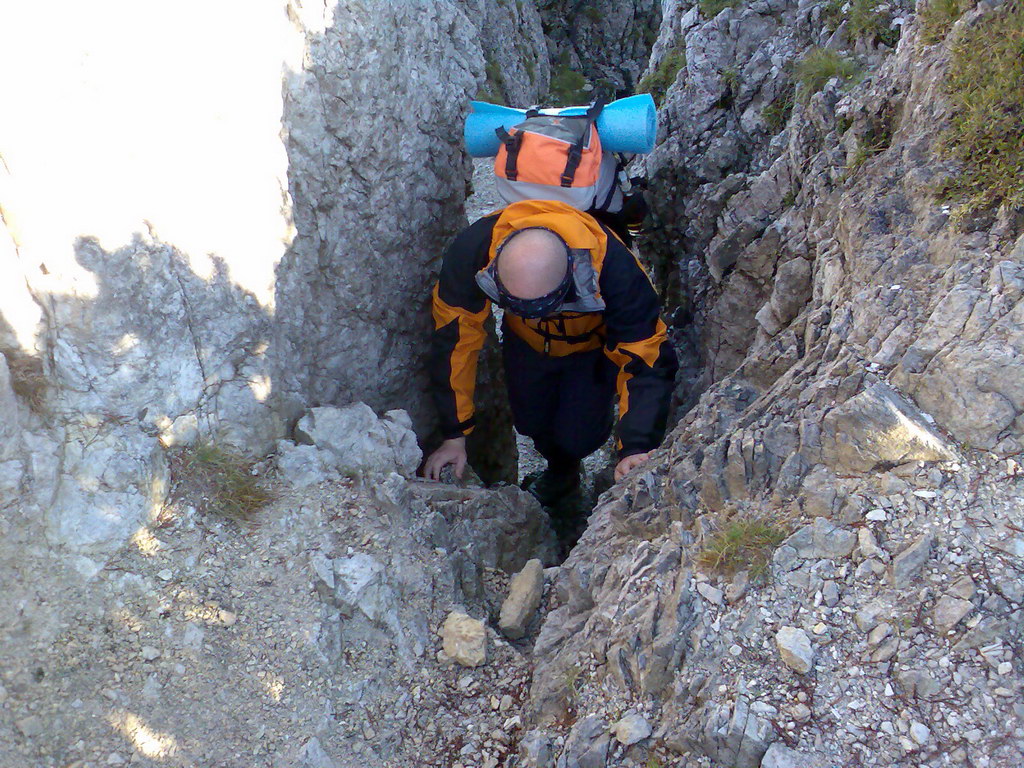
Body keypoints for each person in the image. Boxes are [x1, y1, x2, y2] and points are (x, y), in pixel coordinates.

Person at [422, 197, 677, 507]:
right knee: (530, 421)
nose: (536, 315)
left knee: (579, 436)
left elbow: (645, 358)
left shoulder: (615, 270)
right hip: (526, 344)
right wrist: (454, 434)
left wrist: (636, 446)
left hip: (589, 350)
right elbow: (454, 341)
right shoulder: (473, 250)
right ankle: (559, 469)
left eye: (543, 308)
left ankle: (567, 469)